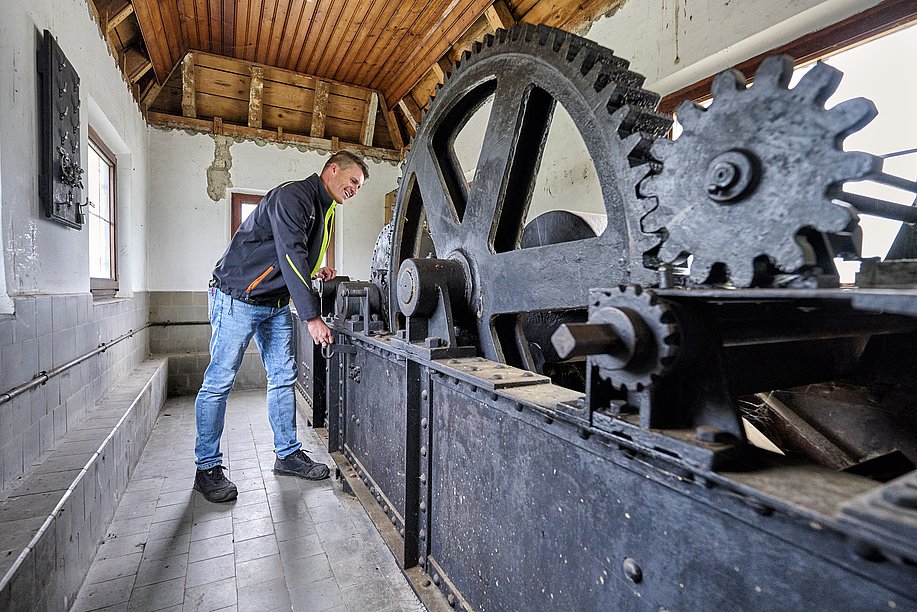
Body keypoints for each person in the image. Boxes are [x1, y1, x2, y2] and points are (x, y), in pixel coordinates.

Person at [193, 150, 369, 503]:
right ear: (332, 170)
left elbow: (296, 256)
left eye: (360, 187)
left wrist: (315, 271)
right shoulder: (294, 196)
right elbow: (290, 254)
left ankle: (287, 454)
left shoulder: (324, 207)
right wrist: (312, 317)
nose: (355, 189)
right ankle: (206, 468)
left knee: (282, 377)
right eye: (352, 181)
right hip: (237, 297)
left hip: (273, 304)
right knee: (219, 381)